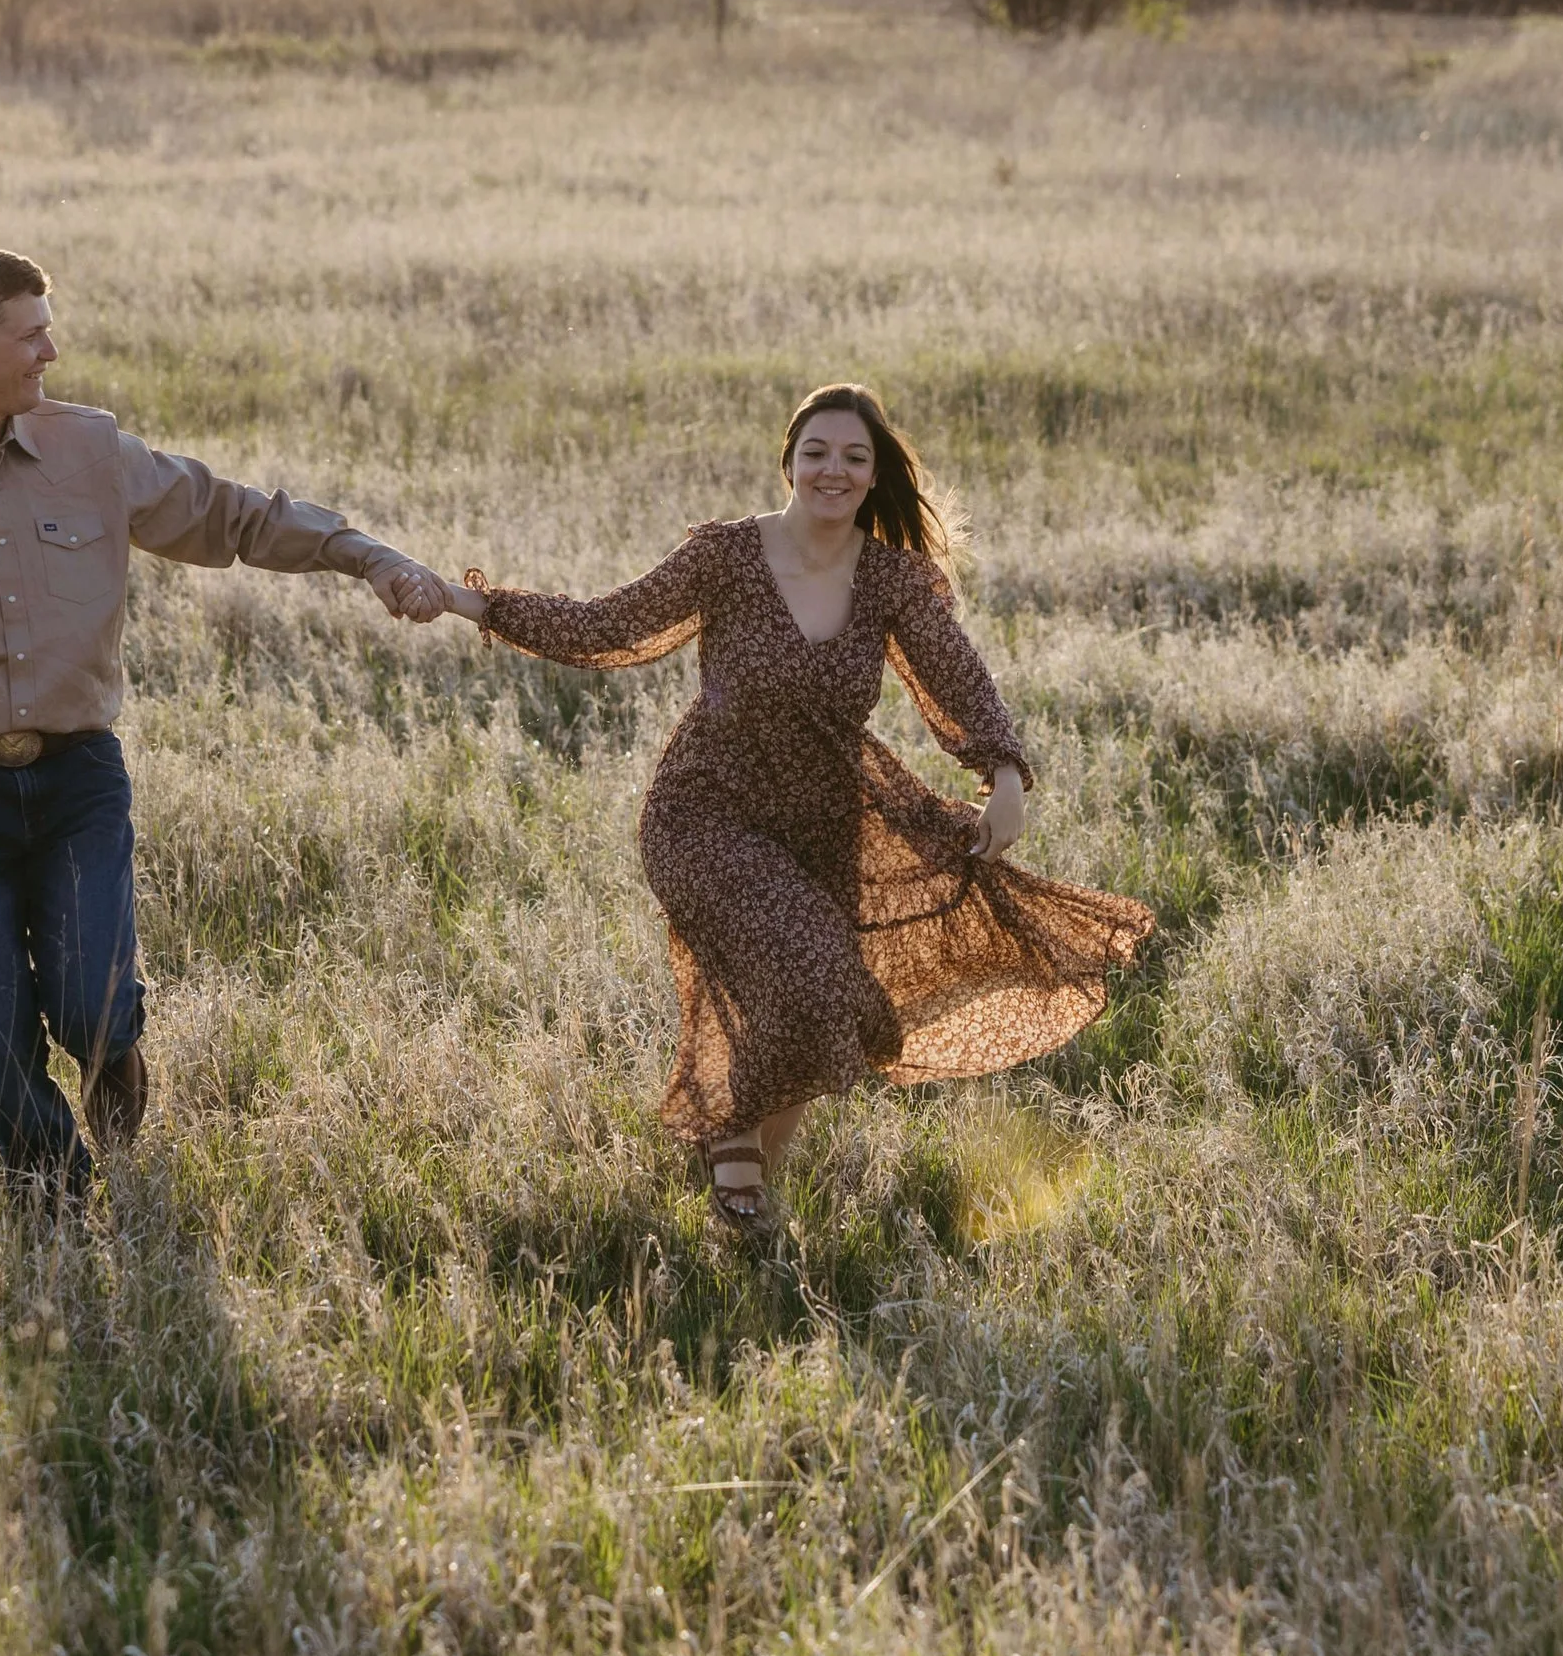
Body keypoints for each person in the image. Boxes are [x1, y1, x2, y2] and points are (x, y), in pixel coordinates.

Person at [0, 246, 454, 1201]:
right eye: (31, 335)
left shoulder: (92, 452)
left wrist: (367, 558)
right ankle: (59, 1203)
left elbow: (232, 517)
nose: (51, 352)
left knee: (94, 1000)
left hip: (78, 779)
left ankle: (115, 1055)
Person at [442, 383, 1151, 1238]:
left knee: (832, 1007)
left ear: (874, 473)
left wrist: (1002, 773)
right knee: (809, 967)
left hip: (824, 824)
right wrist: (476, 603)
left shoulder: (891, 579)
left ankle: (743, 1203)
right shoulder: (727, 557)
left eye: (856, 457)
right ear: (788, 461)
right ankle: (732, 1149)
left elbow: (958, 677)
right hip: (705, 812)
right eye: (817, 451)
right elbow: (609, 625)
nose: (834, 470)